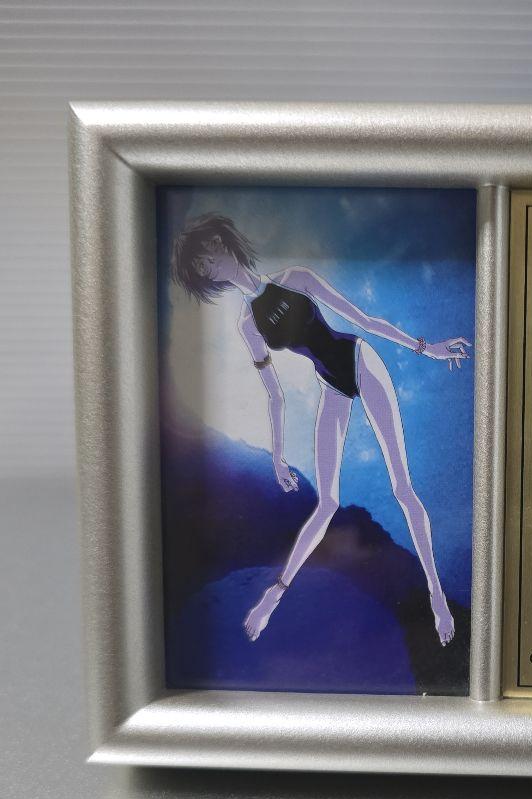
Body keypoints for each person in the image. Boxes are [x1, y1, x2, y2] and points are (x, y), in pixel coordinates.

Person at [171, 213, 469, 646]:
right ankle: (273, 597)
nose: (210, 268)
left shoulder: (296, 278)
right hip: (330, 384)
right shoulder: (248, 326)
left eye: (207, 256)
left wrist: (427, 349)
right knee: (327, 503)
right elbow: (275, 396)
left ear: (220, 241)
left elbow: (365, 320)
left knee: (402, 488)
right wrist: (277, 457)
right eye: (201, 269)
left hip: (359, 360)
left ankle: (436, 596)